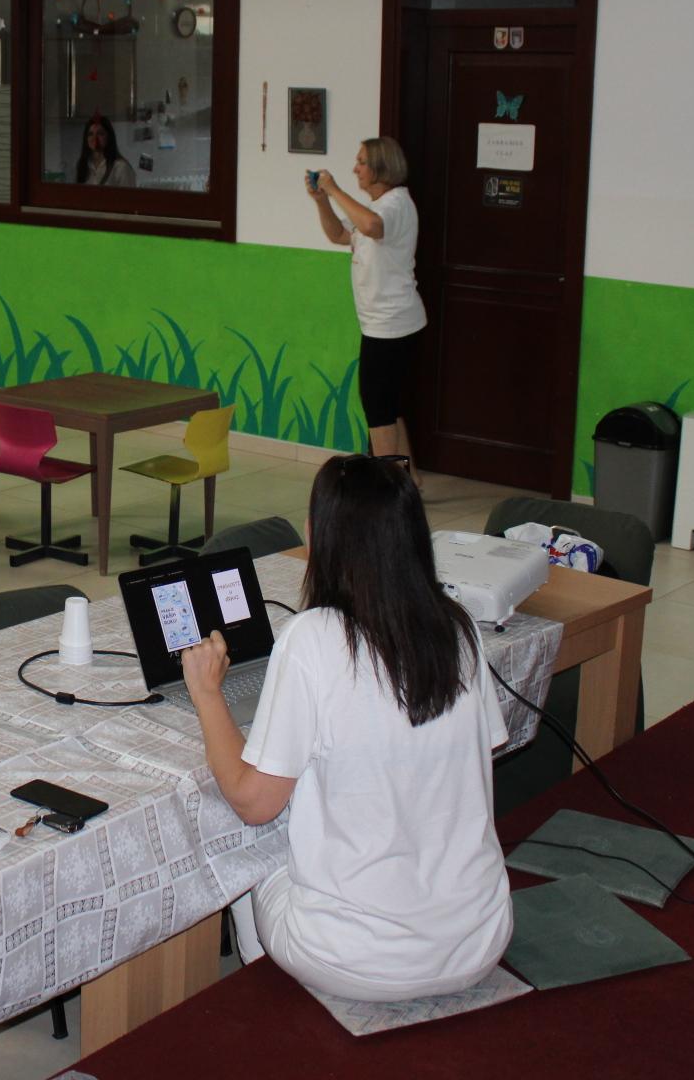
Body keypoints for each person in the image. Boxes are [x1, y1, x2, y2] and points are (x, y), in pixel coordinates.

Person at [182, 453, 511, 1002]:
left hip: (357, 958)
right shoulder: (458, 627)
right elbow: (481, 754)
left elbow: (252, 801)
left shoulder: (312, 638)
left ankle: (269, 996)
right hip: (479, 938)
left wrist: (207, 694)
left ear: (320, 537)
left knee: (242, 848)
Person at [308, 137, 427, 485]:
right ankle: (409, 479)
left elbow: (373, 227)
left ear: (380, 167)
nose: (355, 169)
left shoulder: (395, 204)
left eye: (361, 162)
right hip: (383, 322)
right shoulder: (377, 206)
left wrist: (334, 189)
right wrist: (322, 200)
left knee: (377, 407)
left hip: (392, 324)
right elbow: (338, 234)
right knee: (388, 405)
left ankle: (388, 486)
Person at [75, 114, 136, 187]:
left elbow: (129, 194)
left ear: (109, 137)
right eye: (90, 134)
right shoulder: (83, 165)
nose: (95, 138)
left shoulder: (121, 167)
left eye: (100, 134)